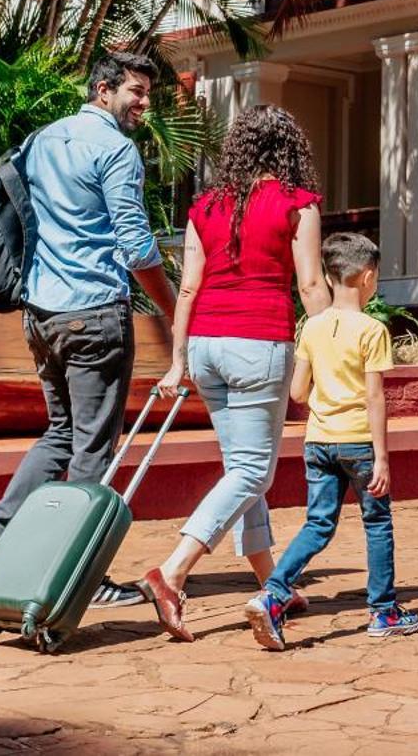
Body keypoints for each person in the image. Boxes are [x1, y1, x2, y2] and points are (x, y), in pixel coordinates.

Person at [0, 51, 176, 611]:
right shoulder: (114, 150)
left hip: (41, 315)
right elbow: (136, 247)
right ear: (102, 90)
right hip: (94, 315)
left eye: (147, 93)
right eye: (135, 91)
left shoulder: (41, 140)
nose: (143, 103)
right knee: (93, 449)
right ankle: (80, 574)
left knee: (60, 433)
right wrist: (175, 311)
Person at [140, 105, 330, 641]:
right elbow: (312, 286)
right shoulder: (298, 204)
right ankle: (172, 572)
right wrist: (332, 351)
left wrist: (178, 361)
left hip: (205, 348)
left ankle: (274, 583)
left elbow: (190, 289)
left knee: (243, 469)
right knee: (251, 471)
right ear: (289, 148)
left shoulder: (205, 206)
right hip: (257, 343)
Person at [242, 232, 418, 649]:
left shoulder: (312, 327)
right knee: (377, 522)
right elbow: (375, 397)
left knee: (318, 524)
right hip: (358, 442)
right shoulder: (372, 330)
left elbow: (298, 392)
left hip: (318, 441)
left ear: (327, 274)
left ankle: (272, 594)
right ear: (369, 277)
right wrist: (382, 459)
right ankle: (383, 611)